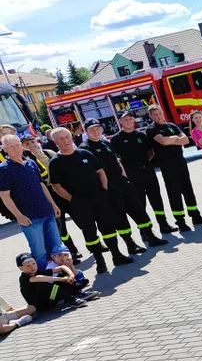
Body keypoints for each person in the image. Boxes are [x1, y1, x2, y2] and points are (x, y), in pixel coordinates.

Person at [48, 128, 134, 273]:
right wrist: (73, 199)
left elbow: (100, 172)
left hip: (98, 197)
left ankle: (117, 255)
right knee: (90, 232)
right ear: (55, 142)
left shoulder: (85, 154)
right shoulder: (55, 162)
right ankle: (100, 261)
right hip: (80, 203)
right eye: (60, 139)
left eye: (67, 137)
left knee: (108, 227)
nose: (65, 141)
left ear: (72, 138)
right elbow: (56, 186)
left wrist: (104, 190)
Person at [82, 120, 167, 254]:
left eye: (98, 128)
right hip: (109, 189)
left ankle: (150, 237)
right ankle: (130, 245)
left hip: (122, 184)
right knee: (120, 217)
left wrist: (125, 178)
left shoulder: (105, 143)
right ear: (86, 131)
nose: (96, 131)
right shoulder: (85, 149)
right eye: (92, 129)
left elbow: (117, 161)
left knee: (139, 211)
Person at [0, 133, 65, 267]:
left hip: (47, 212)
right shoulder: (3, 169)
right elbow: (4, 196)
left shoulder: (31, 163)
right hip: (29, 218)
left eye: (17, 145)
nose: (16, 149)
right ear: (4, 149)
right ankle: (45, 282)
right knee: (39, 252)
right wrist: (19, 216)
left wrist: (53, 204)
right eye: (11, 147)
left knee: (57, 248)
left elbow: (42, 185)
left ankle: (65, 278)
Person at [109, 112, 177, 234]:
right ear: (120, 121)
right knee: (140, 203)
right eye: (126, 119)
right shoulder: (116, 139)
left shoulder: (141, 135)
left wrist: (145, 163)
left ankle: (163, 224)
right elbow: (115, 160)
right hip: (132, 175)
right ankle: (144, 231)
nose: (129, 121)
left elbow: (150, 152)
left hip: (147, 171)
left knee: (156, 199)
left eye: (131, 119)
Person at [145, 105, 202, 232]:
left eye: (160, 113)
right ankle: (180, 221)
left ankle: (195, 216)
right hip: (167, 166)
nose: (159, 116)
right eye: (156, 115)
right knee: (174, 193)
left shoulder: (171, 125)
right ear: (151, 116)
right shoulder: (151, 129)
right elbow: (163, 141)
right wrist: (175, 138)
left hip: (180, 162)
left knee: (188, 190)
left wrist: (171, 140)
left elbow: (185, 140)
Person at [17, 252, 92, 311]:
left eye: (33, 263)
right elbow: (38, 278)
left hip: (49, 298)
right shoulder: (24, 278)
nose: (32, 267)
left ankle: (77, 293)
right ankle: (69, 300)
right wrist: (61, 280)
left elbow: (62, 267)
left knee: (62, 275)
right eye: (28, 266)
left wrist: (71, 275)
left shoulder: (37, 272)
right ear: (21, 268)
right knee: (48, 285)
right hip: (42, 305)